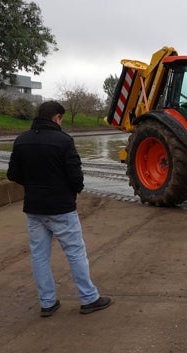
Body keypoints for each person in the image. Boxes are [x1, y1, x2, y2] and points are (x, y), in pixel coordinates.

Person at [7, 101, 111, 317]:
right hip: (61, 208)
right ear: (56, 117)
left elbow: (13, 174)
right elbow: (76, 177)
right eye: (61, 119)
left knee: (39, 256)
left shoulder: (21, 140)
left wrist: (33, 185)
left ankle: (47, 303)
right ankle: (89, 298)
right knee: (75, 253)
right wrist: (73, 190)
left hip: (34, 208)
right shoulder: (64, 141)